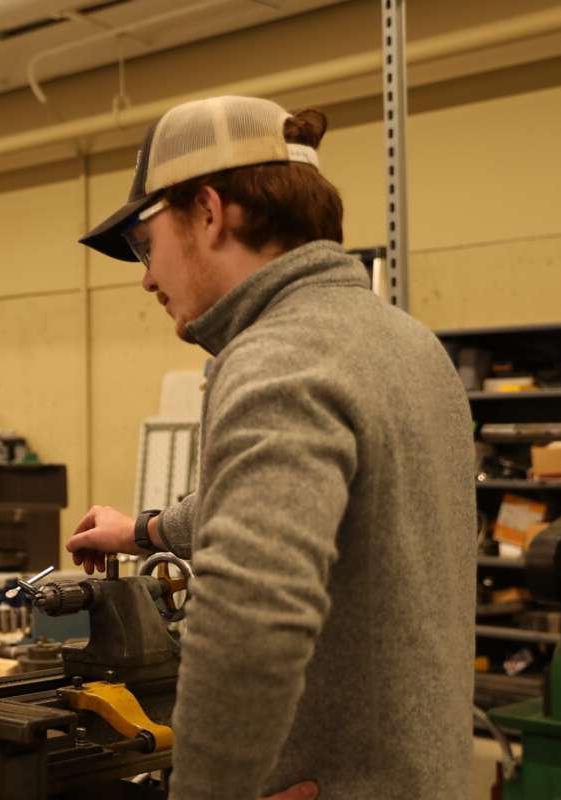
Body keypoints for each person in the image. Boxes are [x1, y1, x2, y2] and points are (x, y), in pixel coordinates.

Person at [70, 96, 474, 799]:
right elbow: (314, 508)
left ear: (207, 211)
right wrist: (142, 530)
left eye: (143, 242)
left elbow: (250, 628)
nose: (144, 276)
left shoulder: (277, 356)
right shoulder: (409, 345)